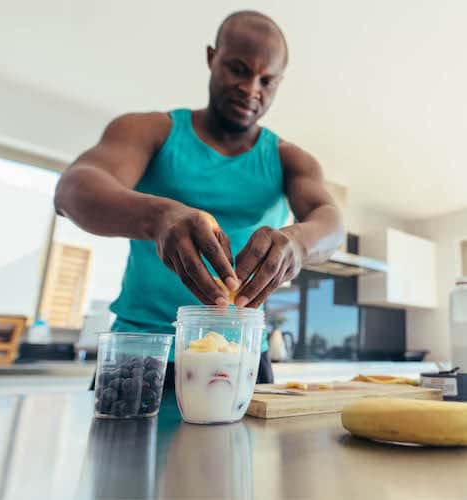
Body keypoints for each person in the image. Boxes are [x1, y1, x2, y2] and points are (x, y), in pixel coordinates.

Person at [54, 10, 344, 389]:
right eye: (238, 69)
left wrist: (298, 245)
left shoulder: (290, 159)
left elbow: (331, 221)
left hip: (239, 356)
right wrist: (157, 216)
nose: (251, 88)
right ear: (212, 58)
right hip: (143, 352)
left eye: (267, 80)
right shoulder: (151, 130)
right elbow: (73, 190)